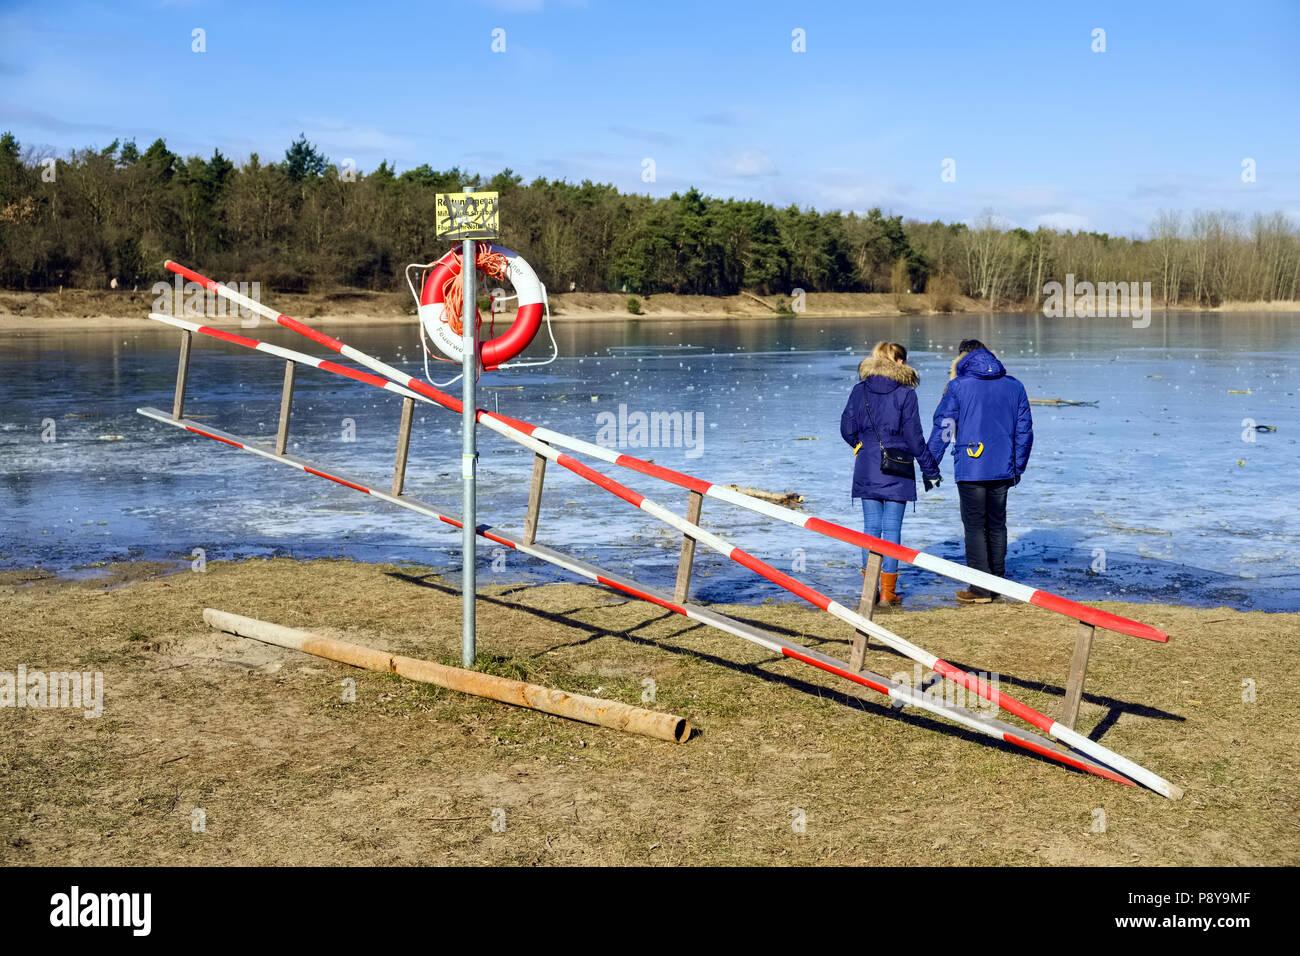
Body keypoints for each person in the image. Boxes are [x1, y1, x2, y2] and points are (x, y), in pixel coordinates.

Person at [926, 339, 1033, 604]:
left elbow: (946, 426)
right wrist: (1017, 466)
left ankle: (981, 588)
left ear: (963, 359)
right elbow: (1024, 431)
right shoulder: (1015, 386)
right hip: (1003, 468)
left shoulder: (957, 387)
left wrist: (930, 463)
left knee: (974, 527)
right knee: (996, 524)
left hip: (972, 467)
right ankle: (996, 581)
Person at [840, 342, 941, 606]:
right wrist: (930, 469)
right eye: (903, 360)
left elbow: (846, 428)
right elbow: (915, 438)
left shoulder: (859, 390)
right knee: (892, 529)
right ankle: (887, 592)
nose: (906, 365)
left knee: (870, 528)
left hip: (867, 464)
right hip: (898, 466)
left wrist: (861, 446)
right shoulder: (906, 394)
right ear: (896, 361)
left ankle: (869, 590)